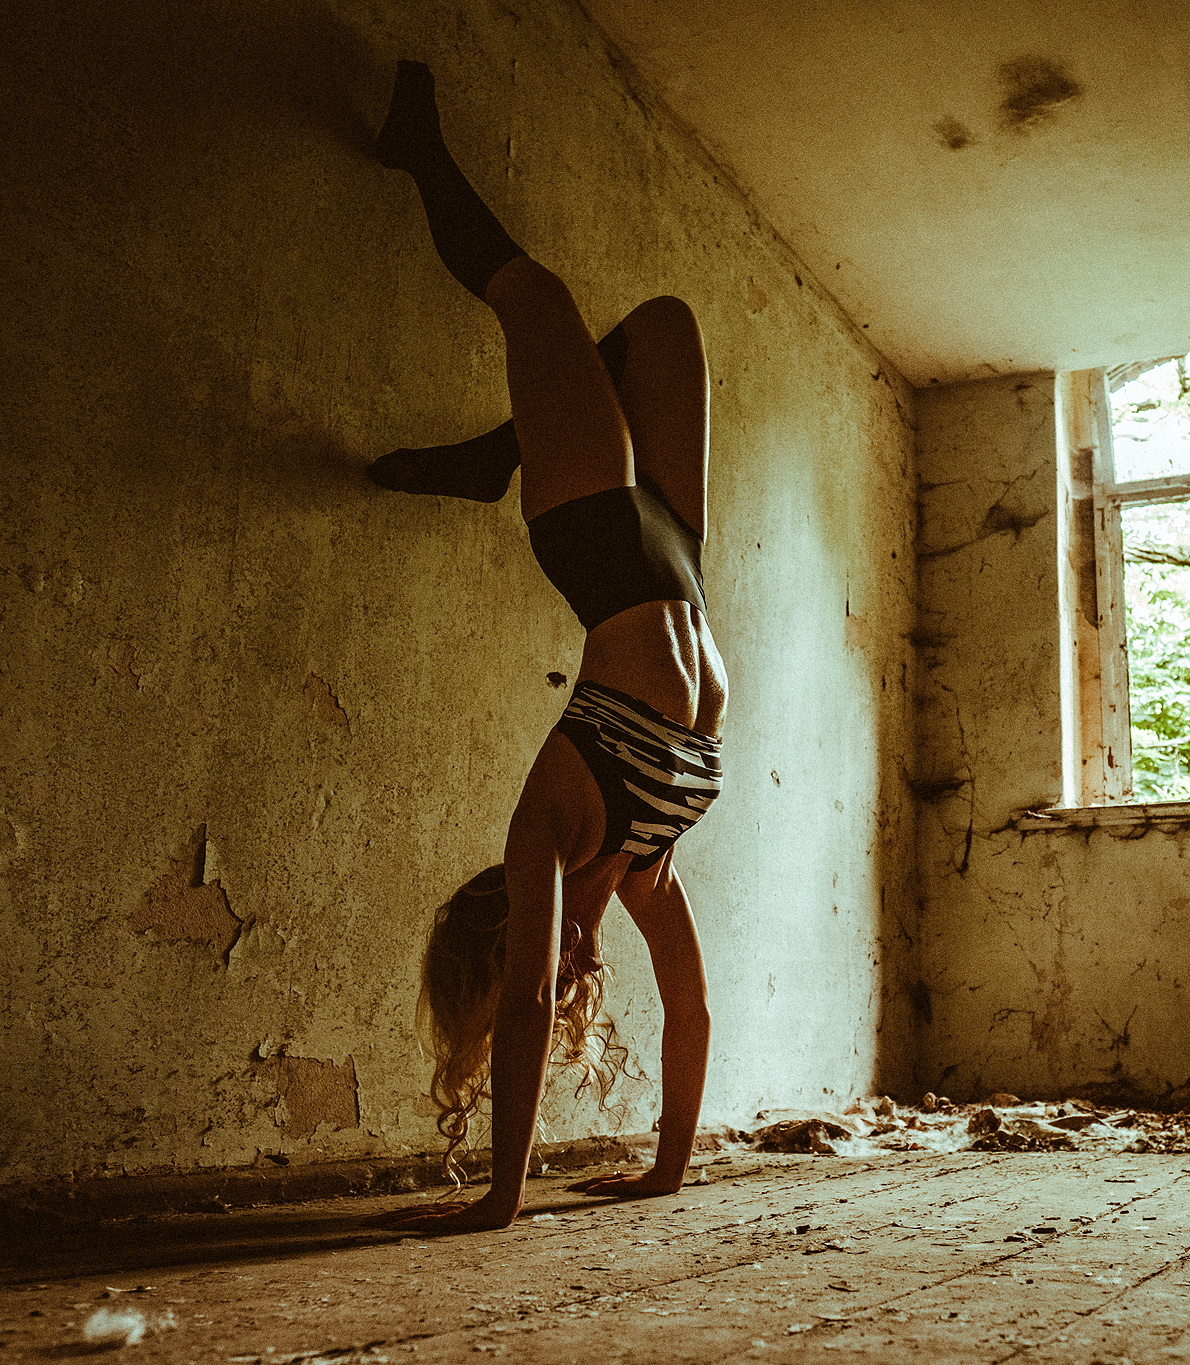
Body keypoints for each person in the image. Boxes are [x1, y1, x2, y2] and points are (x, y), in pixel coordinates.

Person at [368, 60, 725, 1232]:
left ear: (514, 920)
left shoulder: (552, 825)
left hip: (596, 548)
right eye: (575, 973)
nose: (575, 978)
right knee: (666, 326)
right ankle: (485, 457)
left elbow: (519, 1006)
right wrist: (670, 1172)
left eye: (549, 960)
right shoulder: (643, 861)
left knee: (534, 297)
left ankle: (416, 151)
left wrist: (500, 1205)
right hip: (676, 557)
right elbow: (691, 1010)